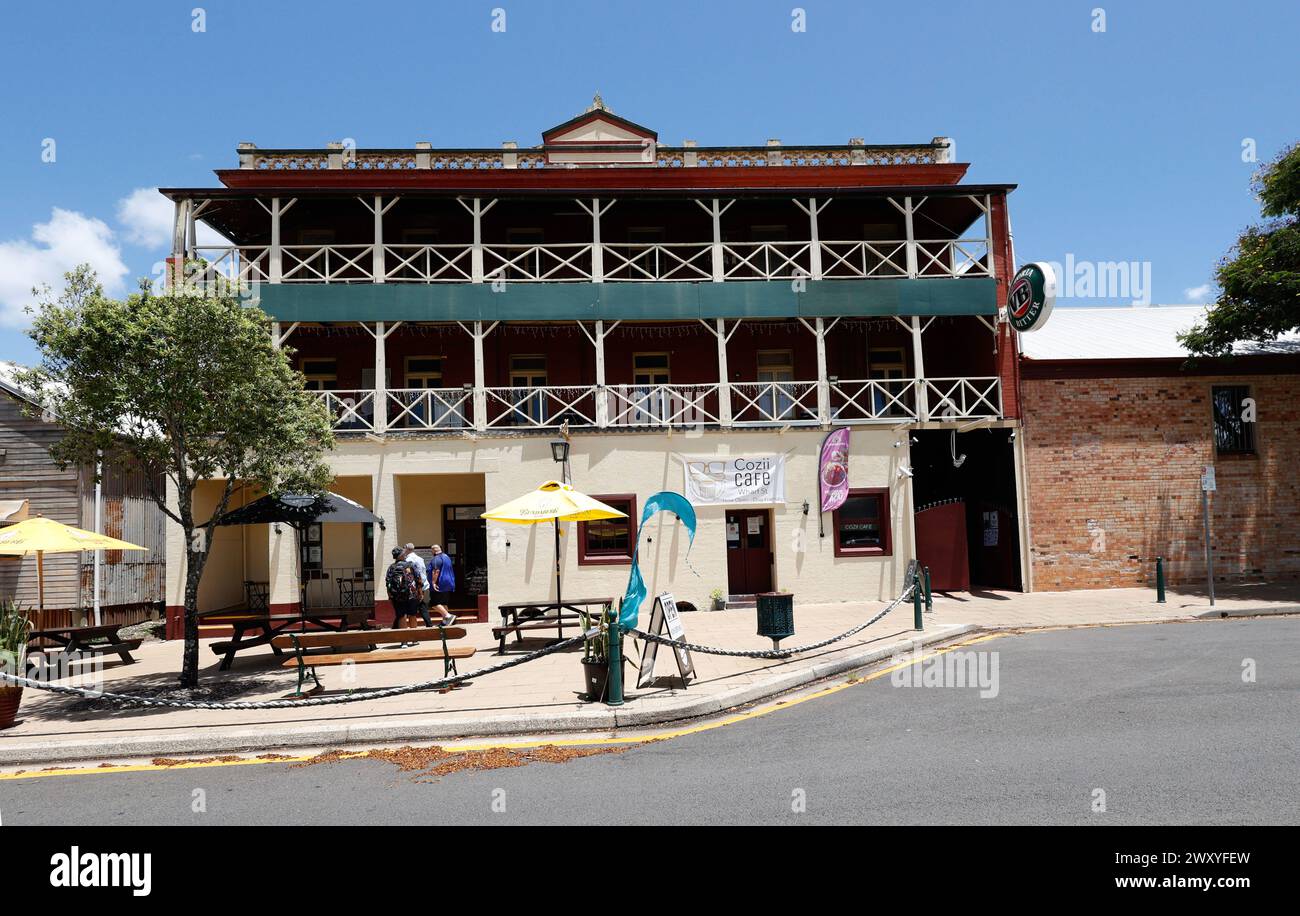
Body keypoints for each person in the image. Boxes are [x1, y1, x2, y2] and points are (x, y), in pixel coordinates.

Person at [384, 547, 422, 645]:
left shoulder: (391, 567)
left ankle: (404, 641)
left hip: (397, 596)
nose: (405, 555)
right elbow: (418, 579)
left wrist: (390, 595)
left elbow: (388, 582)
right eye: (403, 553)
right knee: (412, 615)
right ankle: (414, 639)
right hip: (411, 594)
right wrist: (420, 592)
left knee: (401, 616)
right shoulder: (410, 565)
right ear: (401, 555)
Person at [401, 543, 434, 636]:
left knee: (414, 608)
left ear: (407, 549)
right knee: (421, 604)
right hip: (421, 585)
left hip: (414, 587)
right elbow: (423, 572)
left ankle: (413, 629)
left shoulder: (408, 560)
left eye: (404, 548)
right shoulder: (420, 558)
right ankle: (429, 624)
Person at [428, 544, 457, 627]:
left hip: (439, 584)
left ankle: (448, 616)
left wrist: (433, 582)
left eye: (431, 550)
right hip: (448, 583)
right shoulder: (446, 557)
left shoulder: (436, 559)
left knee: (434, 603)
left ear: (433, 550)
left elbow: (436, 571)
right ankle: (445, 622)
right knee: (443, 603)